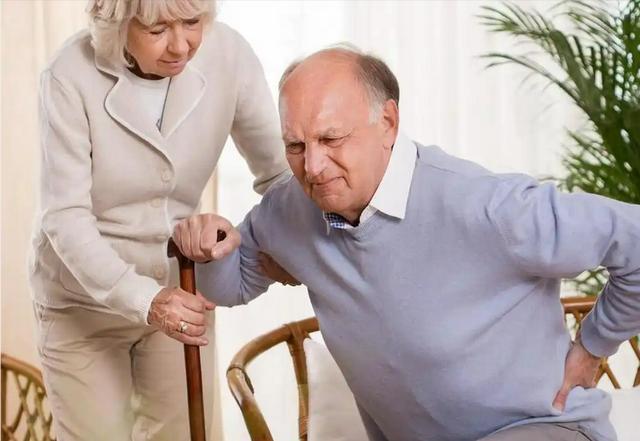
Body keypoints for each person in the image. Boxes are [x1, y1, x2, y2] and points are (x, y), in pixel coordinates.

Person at [173, 46, 640, 441]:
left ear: (388, 122)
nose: (312, 166)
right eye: (295, 146)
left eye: (331, 138)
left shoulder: (488, 206)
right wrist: (211, 245)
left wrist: (594, 345)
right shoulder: (293, 208)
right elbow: (229, 286)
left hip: (542, 427)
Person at [29, 0, 290, 439]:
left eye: (192, 22)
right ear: (116, 23)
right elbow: (66, 217)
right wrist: (147, 300)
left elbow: (279, 174)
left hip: (179, 285)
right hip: (81, 302)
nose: (180, 45)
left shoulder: (229, 55)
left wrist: (289, 249)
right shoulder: (68, 75)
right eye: (157, 29)